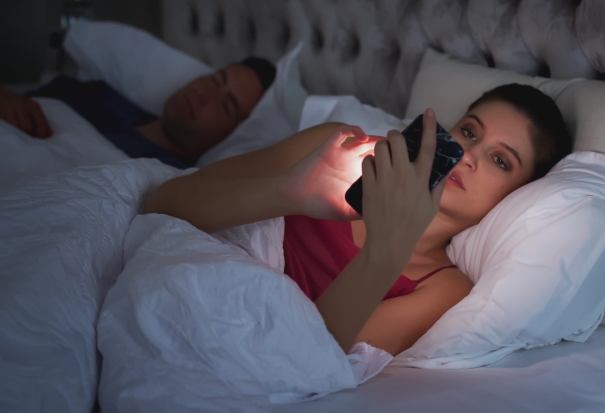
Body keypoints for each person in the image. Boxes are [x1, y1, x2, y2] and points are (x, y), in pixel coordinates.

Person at [144, 83, 572, 355]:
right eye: (469, 132)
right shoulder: (334, 152)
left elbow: (303, 357)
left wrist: (386, 252)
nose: (470, 156)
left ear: (516, 197)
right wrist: (289, 193)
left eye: (500, 160)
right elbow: (165, 202)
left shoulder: (445, 288)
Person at [0, 57, 276, 168]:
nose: (205, 95)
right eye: (215, 80)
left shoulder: (168, 177)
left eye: (226, 106)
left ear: (232, 136)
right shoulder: (101, 96)